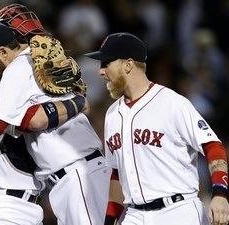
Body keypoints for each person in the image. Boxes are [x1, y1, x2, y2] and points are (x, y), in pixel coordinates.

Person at [0, 22, 109, 225]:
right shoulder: (36, 65)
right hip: (69, 178)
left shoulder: (16, 72)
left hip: (78, 174)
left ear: (2, 51)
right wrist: (78, 101)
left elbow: (28, 120)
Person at [84, 32, 229, 225]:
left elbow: (213, 146)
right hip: (134, 215)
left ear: (128, 65)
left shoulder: (172, 103)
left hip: (178, 211)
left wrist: (220, 193)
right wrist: (110, 220)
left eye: (106, 63)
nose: (100, 71)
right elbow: (117, 174)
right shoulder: (111, 114)